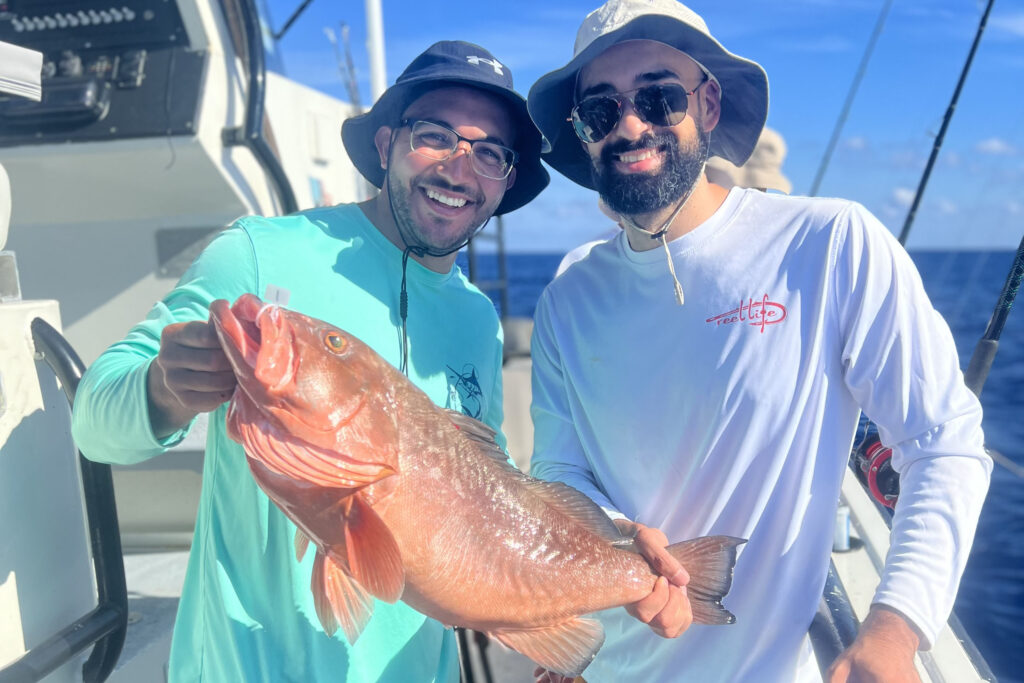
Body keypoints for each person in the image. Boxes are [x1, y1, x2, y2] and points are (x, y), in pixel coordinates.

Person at [525, 1, 990, 681]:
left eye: (659, 97)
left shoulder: (831, 243)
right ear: (583, 132)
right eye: (601, 109)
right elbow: (560, 471)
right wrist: (613, 548)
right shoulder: (567, 293)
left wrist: (892, 631)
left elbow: (942, 438)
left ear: (707, 105)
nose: (629, 125)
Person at [71, 40, 548, 682]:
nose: (460, 169)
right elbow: (93, 424)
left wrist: (543, 616)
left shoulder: (475, 318)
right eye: (435, 135)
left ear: (505, 181)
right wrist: (164, 388)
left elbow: (489, 481)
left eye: (490, 152)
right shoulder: (258, 257)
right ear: (385, 146)